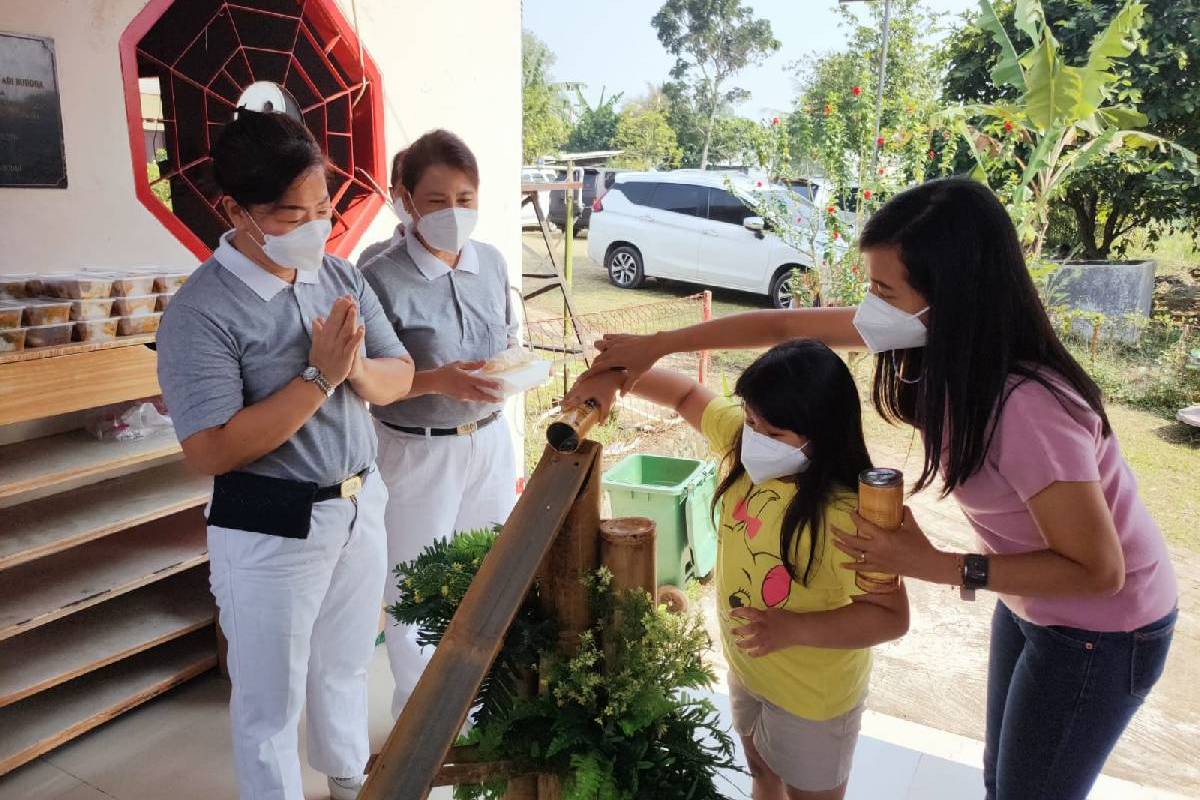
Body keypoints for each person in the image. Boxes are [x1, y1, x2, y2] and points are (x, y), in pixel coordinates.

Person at [573, 177, 1178, 800]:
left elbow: (1100, 571)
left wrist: (935, 565)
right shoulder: (941, 343)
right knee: (1007, 778)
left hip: (1104, 627)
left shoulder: (1028, 408)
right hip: (1035, 602)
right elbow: (782, 328)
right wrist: (656, 347)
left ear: (953, 298)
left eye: (885, 290)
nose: (871, 307)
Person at [156, 109, 415, 800]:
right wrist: (320, 378)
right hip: (269, 526)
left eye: (323, 208)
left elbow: (401, 374)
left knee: (346, 664)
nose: (312, 227)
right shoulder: (201, 313)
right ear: (233, 209)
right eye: (287, 213)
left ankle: (347, 779)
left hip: (357, 503)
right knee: (270, 701)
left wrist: (354, 371)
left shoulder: (338, 276)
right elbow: (210, 448)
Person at [570, 340, 909, 799]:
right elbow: (686, 395)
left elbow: (890, 617)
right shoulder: (750, 447)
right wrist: (616, 379)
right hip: (749, 673)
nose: (754, 438)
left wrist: (793, 628)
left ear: (821, 436)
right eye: (750, 421)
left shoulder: (850, 516)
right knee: (763, 777)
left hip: (814, 700)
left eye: (774, 434)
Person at [361, 129, 520, 719]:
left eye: (465, 198)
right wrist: (436, 381)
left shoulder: (492, 261)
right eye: (436, 200)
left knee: (487, 575)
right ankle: (421, 723)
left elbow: (507, 341)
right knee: (414, 590)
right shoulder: (377, 272)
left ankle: (481, 710)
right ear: (404, 197)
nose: (454, 213)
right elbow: (368, 373)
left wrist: (510, 369)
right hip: (415, 449)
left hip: (489, 440)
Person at [357, 147, 409, 269]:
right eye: (406, 192)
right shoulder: (371, 258)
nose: (414, 201)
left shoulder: (458, 256)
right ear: (392, 194)